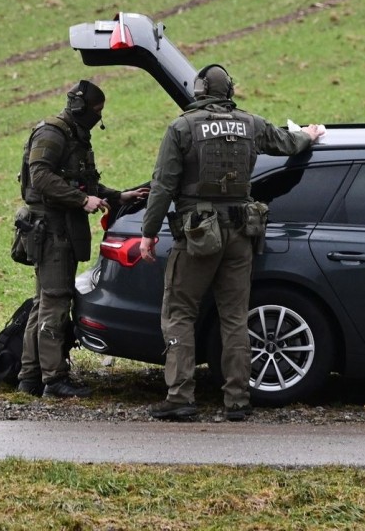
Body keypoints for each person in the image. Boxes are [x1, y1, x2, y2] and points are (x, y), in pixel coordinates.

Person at [138, 65, 324, 422]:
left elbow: (163, 185)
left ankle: (180, 396)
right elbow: (287, 143)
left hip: (197, 236)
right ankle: (237, 399)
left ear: (199, 90)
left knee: (180, 313)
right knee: (235, 318)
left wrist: (148, 232)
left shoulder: (182, 128)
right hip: (241, 234)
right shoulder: (251, 124)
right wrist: (310, 134)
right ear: (229, 90)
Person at [17, 80, 148, 397]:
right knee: (56, 302)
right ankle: (53, 379)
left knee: (44, 302)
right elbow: (42, 177)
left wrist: (119, 196)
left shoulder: (75, 136)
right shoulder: (52, 133)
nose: (97, 116)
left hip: (60, 227)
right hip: (51, 230)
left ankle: (30, 378)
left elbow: (82, 184)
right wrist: (81, 202)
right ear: (80, 108)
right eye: (96, 110)